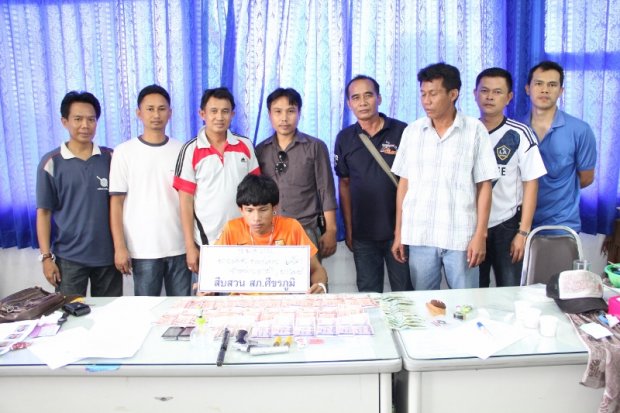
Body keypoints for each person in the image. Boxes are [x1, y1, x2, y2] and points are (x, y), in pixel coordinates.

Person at [391, 63, 499, 290]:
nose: (426, 101)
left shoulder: (474, 130)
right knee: (424, 303)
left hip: (461, 236)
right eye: (423, 94)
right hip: (420, 234)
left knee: (465, 303)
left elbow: (484, 185)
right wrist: (399, 232)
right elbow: (404, 185)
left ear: (453, 94)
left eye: (433, 94)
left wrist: (480, 235)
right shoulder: (412, 132)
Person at [36, 91, 122, 297]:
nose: (85, 125)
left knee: (111, 313)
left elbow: (122, 205)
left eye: (91, 119)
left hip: (108, 257)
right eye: (78, 119)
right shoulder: (51, 162)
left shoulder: (112, 158)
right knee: (69, 312)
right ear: (64, 121)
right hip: (69, 258)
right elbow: (44, 213)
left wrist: (122, 248)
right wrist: (46, 258)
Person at [109, 85, 191, 296]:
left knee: (182, 308)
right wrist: (120, 247)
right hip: (142, 249)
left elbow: (190, 199)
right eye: (150, 109)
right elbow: (116, 204)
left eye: (162, 109)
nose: (156, 115)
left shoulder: (183, 150)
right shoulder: (124, 152)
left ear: (170, 113)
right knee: (145, 309)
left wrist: (191, 244)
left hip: (180, 246)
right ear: (139, 113)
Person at [334, 75, 411, 293]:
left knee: (404, 292)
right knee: (368, 295)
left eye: (368, 95)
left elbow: (413, 181)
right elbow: (344, 184)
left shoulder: (402, 131)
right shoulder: (345, 138)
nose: (363, 102)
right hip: (363, 234)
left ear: (379, 98)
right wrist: (349, 229)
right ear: (349, 104)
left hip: (401, 231)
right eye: (355, 98)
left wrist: (403, 231)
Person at [473, 68, 547, 287]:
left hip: (506, 225)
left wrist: (523, 233)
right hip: (471, 225)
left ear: (509, 97)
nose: (489, 97)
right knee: (473, 291)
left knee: (510, 290)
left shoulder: (520, 134)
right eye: (484, 91)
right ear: (475, 93)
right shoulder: (467, 131)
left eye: (497, 92)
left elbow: (531, 184)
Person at [174, 87, 260, 273]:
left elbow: (257, 193)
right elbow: (185, 202)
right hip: (207, 243)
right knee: (207, 292)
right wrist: (190, 247)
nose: (219, 117)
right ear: (202, 114)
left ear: (233, 114)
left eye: (225, 111)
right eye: (213, 111)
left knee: (243, 290)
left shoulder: (245, 145)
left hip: (244, 240)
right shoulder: (190, 150)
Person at [203, 174, 328, 294]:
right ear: (241, 210)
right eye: (249, 210)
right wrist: (205, 288)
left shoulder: (291, 228)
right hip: (241, 301)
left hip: (283, 300)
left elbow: (316, 269)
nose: (256, 218)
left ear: (274, 208)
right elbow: (212, 272)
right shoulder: (232, 229)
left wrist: (320, 285)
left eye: (263, 210)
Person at [255, 88, 337, 259]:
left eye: (291, 111)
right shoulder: (260, 150)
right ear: (269, 115)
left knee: (311, 275)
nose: (284, 118)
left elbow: (326, 190)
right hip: (270, 231)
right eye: (278, 112)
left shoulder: (315, 147)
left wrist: (331, 230)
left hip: (305, 229)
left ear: (299, 113)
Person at [523, 60, 597, 232]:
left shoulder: (580, 130)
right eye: (539, 84)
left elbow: (586, 178)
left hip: (562, 224)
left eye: (552, 85)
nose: (545, 90)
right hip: (519, 224)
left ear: (561, 91)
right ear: (528, 89)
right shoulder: (516, 128)